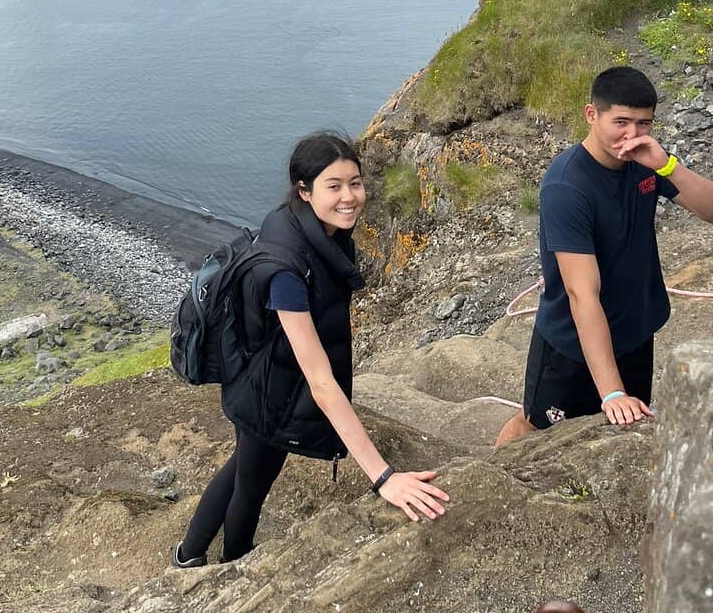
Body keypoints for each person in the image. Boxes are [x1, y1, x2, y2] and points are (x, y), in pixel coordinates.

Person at [173, 132, 449, 568]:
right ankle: (232, 567)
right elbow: (320, 382)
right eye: (333, 186)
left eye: (355, 183)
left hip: (267, 378)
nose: (349, 197)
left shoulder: (308, 228)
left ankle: (187, 556)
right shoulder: (287, 270)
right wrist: (384, 478)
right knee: (252, 481)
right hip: (269, 391)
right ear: (304, 190)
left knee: (244, 467)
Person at [497, 66, 713, 445]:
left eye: (644, 123)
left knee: (620, 433)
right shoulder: (567, 186)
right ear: (592, 115)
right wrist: (611, 391)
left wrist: (668, 166)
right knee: (533, 428)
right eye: (622, 122)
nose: (632, 136)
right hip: (572, 346)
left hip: (633, 333)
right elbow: (582, 293)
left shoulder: (646, 161)